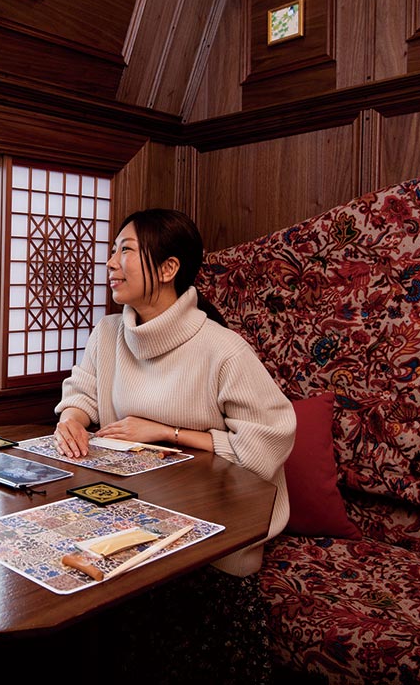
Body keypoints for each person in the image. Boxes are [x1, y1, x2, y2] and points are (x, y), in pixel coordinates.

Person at [52, 208, 295, 682]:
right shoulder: (108, 333)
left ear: (168, 269)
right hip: (132, 507)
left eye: (125, 251)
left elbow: (269, 438)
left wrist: (164, 431)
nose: (110, 263)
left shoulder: (223, 349)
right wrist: (75, 419)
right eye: (112, 250)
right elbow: (80, 390)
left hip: (214, 520)